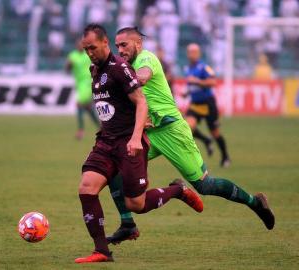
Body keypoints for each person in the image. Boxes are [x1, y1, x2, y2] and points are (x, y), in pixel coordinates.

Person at [106, 27, 275, 244]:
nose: (120, 50)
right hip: (148, 134)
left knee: (205, 186)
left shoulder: (146, 59)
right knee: (112, 166)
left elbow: (143, 77)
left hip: (172, 131)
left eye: (124, 45)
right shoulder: (123, 67)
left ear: (138, 44)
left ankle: (255, 202)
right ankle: (127, 224)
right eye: (117, 46)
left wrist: (118, 84)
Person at [75, 24, 203, 264]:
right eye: (85, 49)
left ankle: (178, 191)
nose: (89, 52)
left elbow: (141, 102)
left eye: (92, 47)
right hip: (106, 142)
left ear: (104, 43)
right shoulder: (95, 70)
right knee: (86, 188)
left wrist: (135, 138)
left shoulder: (120, 69)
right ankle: (102, 251)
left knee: (137, 203)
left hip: (128, 143)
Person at [185, 43, 230, 167]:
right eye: (190, 52)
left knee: (215, 132)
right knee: (187, 127)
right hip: (195, 104)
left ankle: (225, 156)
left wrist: (197, 81)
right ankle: (206, 140)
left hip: (208, 104)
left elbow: (213, 82)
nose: (192, 54)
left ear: (198, 53)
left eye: (194, 52)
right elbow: (193, 86)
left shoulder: (204, 67)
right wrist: (187, 92)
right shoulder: (188, 68)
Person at [66, 39, 99, 140]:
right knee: (87, 107)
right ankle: (101, 127)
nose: (80, 46)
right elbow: (67, 69)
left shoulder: (89, 54)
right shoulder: (72, 56)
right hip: (79, 84)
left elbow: (98, 63)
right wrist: (69, 65)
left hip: (89, 82)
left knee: (79, 103)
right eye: (79, 44)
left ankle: (80, 131)